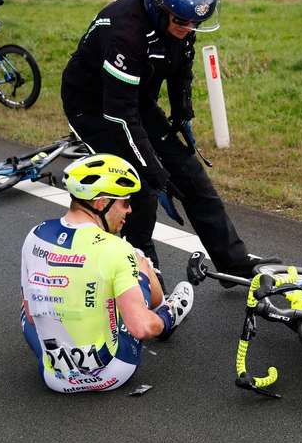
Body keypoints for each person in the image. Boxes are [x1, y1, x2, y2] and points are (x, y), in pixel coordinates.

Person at [61, 0, 277, 284]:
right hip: (92, 106)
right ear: (159, 9)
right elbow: (119, 116)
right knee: (139, 187)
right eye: (181, 22)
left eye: (195, 24)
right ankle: (142, 274)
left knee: (192, 177)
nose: (188, 29)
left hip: (136, 99)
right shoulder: (126, 31)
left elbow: (181, 70)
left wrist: (182, 114)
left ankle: (232, 263)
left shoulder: (182, 17)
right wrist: (155, 175)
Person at [20, 153, 194, 393]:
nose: (130, 210)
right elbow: (141, 328)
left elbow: (30, 316)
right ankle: (169, 311)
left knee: (32, 305)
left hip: (55, 379)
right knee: (138, 260)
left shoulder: (35, 235)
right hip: (112, 373)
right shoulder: (117, 248)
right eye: (125, 202)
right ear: (101, 203)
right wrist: (162, 320)